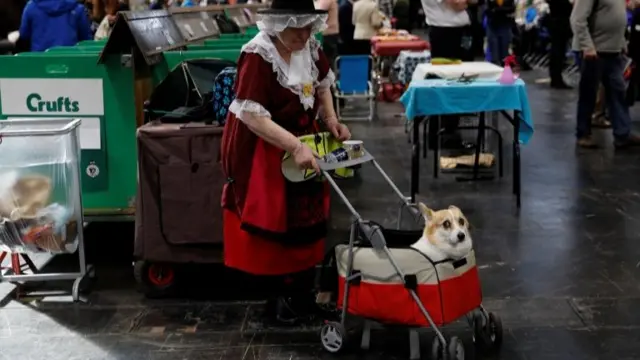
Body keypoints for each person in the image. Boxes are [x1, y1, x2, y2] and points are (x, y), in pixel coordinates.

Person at [221, 0, 351, 324]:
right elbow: (251, 115)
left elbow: (322, 86)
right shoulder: (258, 54)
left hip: (304, 142)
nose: (306, 35)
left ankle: (302, 295)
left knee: (307, 218)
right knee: (276, 219)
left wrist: (331, 119)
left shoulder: (309, 46)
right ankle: (279, 301)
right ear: (280, 24)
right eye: (299, 28)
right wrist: (294, 146)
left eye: (309, 27)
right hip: (266, 144)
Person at [571, 0, 640, 148]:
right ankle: (583, 134)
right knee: (588, 94)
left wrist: (621, 43)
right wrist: (587, 46)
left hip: (613, 52)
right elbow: (577, 19)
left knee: (618, 92)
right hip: (593, 51)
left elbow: (618, 19)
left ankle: (622, 134)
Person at [421, 0, 475, 149]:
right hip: (446, 34)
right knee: (449, 83)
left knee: (455, 83)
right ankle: (446, 136)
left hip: (453, 33)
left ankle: (446, 133)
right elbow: (458, 3)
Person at [19, 0, 93, 52]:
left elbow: (24, 35)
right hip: (71, 60)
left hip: (39, 61)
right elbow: (86, 38)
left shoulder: (30, 7)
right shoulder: (77, 8)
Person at [548, 0, 572, 89]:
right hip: (560, 23)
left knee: (556, 52)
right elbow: (565, 6)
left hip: (556, 22)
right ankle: (557, 79)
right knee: (558, 52)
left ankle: (555, 78)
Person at [485, 0, 515, 65]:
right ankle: (495, 67)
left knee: (504, 52)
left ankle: (504, 70)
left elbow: (512, 8)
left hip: (505, 24)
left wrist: (496, 10)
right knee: (494, 53)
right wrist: (499, 10)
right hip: (492, 24)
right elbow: (487, 10)